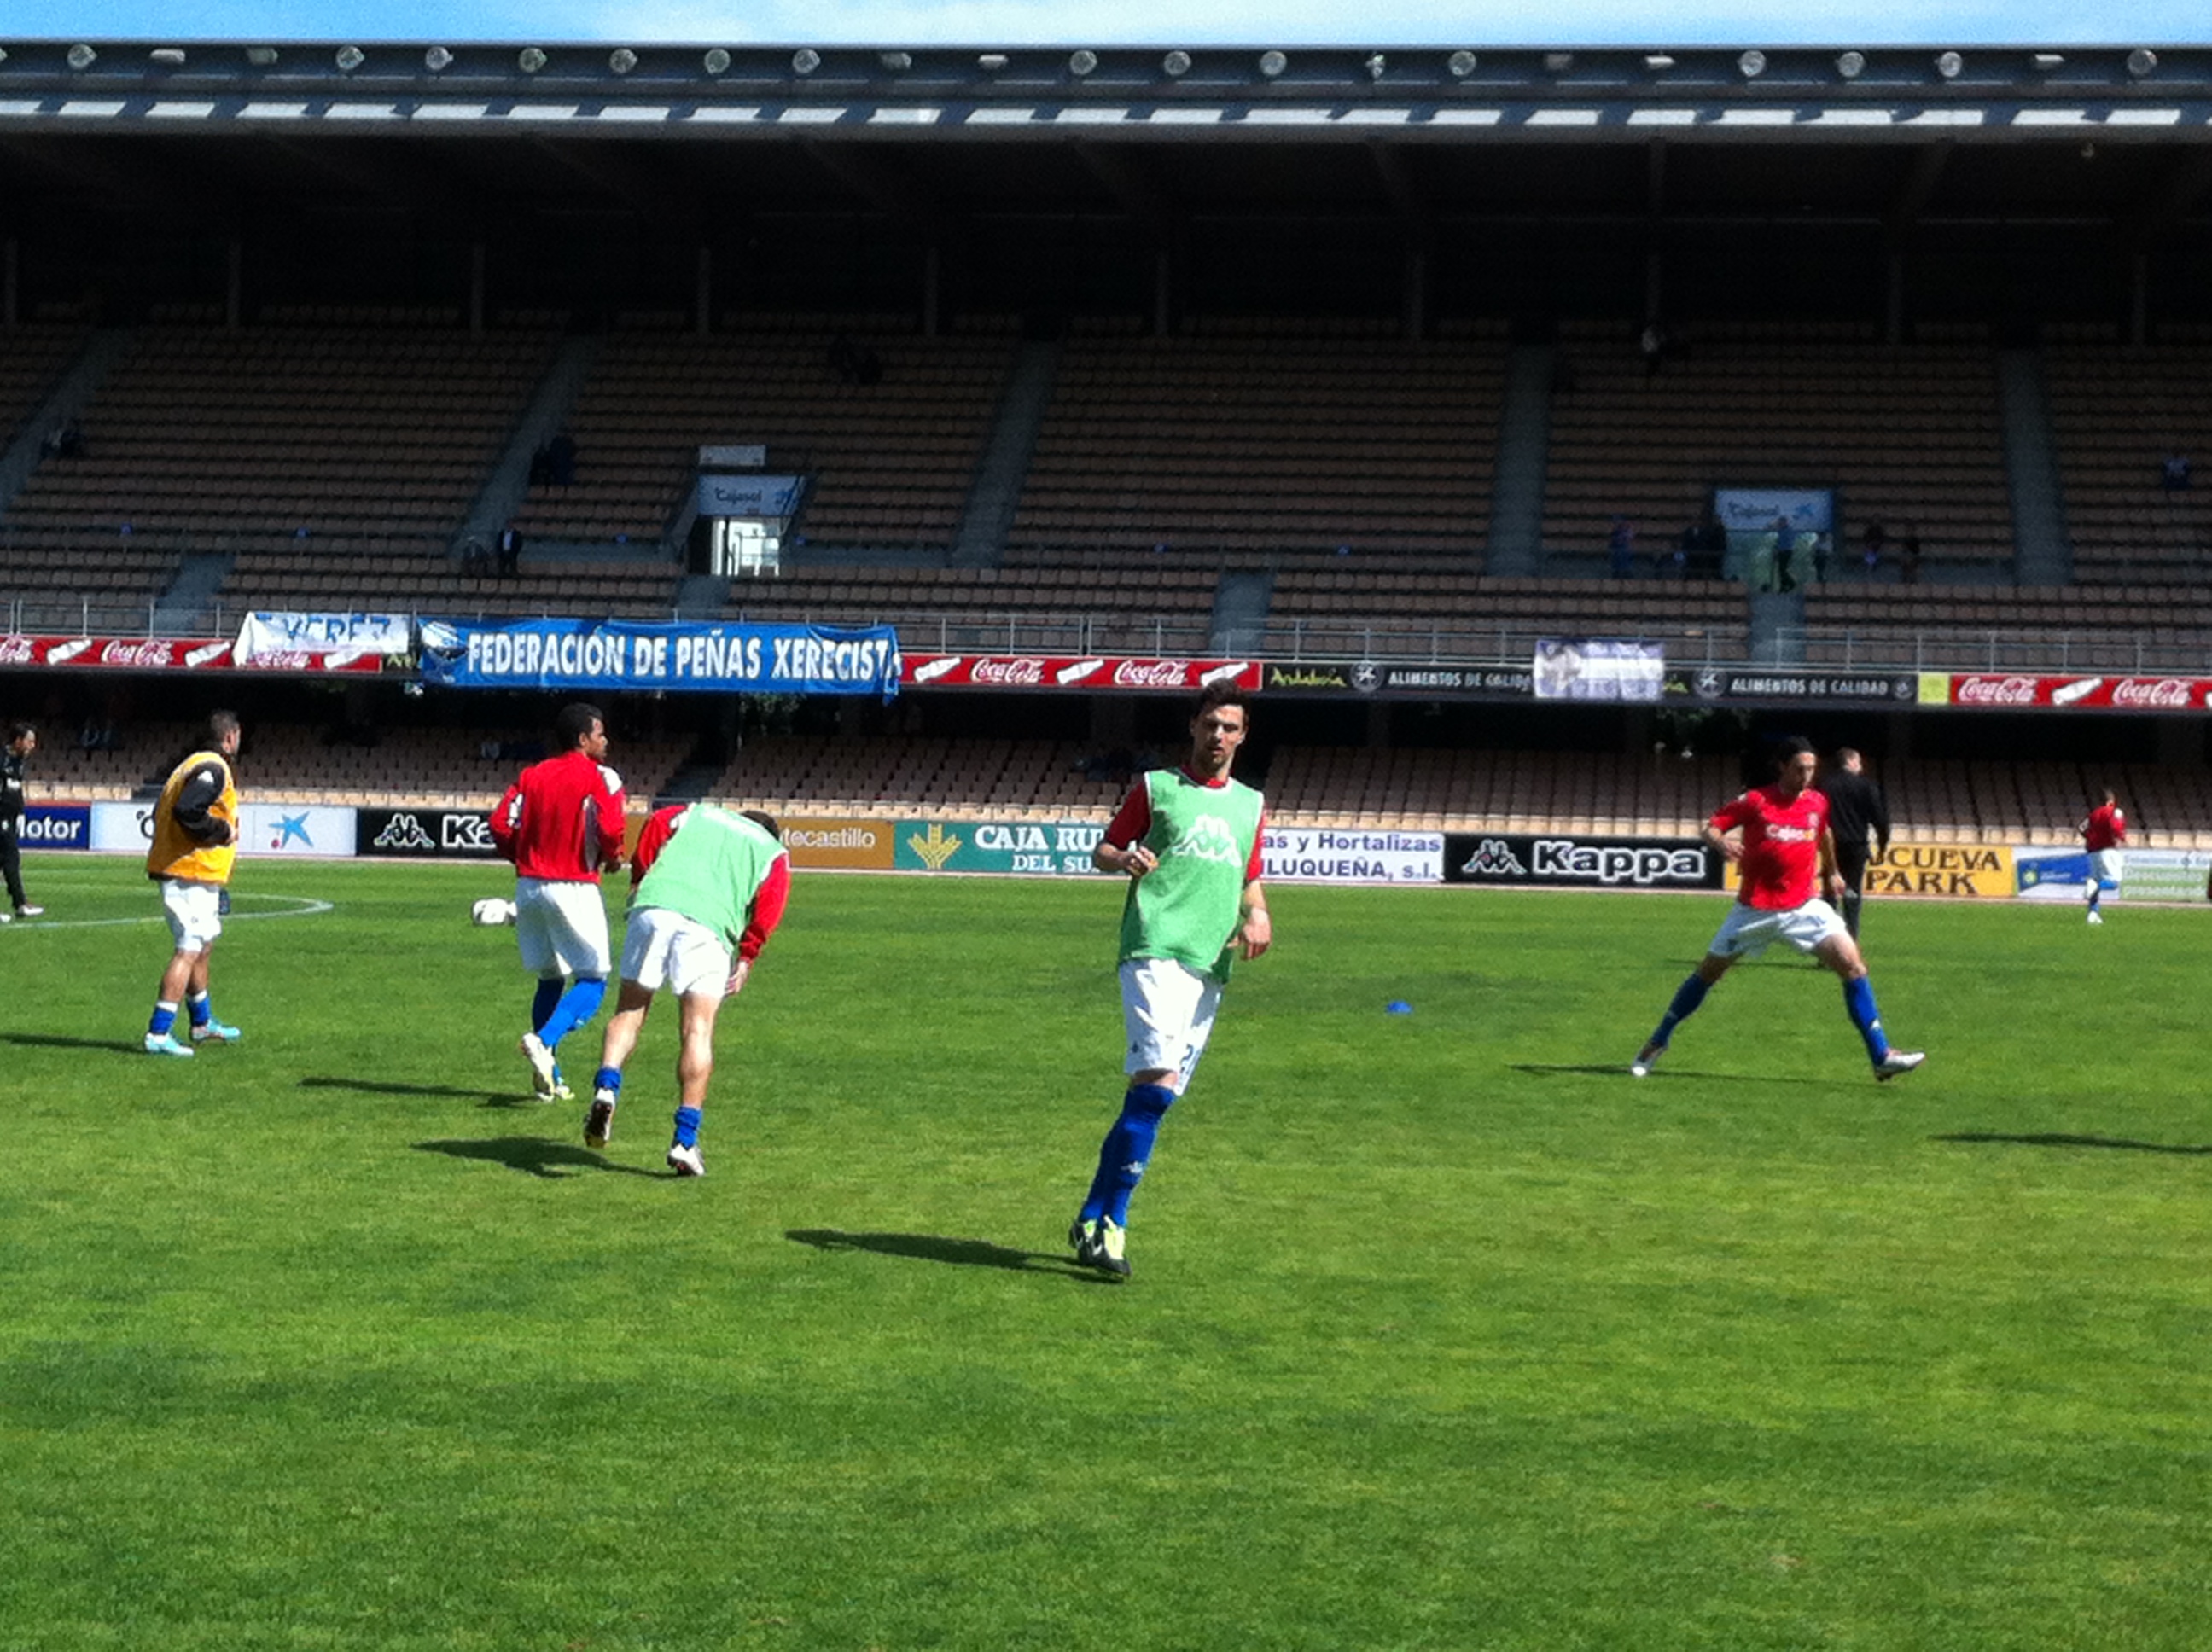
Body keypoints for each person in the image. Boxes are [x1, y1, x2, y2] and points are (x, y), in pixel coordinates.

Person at [1068, 681, 1272, 1280]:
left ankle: (1090, 1215)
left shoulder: (1250, 804)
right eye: (1210, 724)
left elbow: (1248, 875)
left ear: (1243, 736)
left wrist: (1259, 913)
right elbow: (1104, 850)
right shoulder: (1157, 788)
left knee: (1153, 1099)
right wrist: (1125, 858)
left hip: (1211, 961)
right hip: (1154, 947)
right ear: (1194, 727)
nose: (1218, 736)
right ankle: (1113, 1224)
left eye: (1229, 727)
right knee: (1156, 1087)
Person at [1632, 736, 1924, 1083]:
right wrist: (1721, 843)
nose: (1807, 775)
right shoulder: (1756, 801)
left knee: (1854, 967)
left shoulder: (1817, 802)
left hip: (1804, 906)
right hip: (1755, 910)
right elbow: (1710, 827)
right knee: (1708, 974)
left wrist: (1832, 872)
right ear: (1782, 767)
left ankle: (1881, 1055)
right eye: (1800, 768)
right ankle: (1657, 1042)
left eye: (1812, 769)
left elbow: (1823, 834)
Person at [586, 804, 791, 1177]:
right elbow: (770, 906)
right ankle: (684, 1141)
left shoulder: (697, 812)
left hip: (655, 905)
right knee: (697, 1030)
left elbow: (657, 823)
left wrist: (640, 877)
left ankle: (607, 1085)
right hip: (708, 926)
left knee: (630, 1010)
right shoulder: (772, 851)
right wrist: (748, 955)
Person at [488, 702, 626, 1101]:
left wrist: (522, 857)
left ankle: (551, 1078)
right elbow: (611, 827)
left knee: (550, 977)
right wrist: (613, 856)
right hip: (574, 885)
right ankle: (544, 1041)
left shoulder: (531, 775)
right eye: (599, 734)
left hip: (529, 887)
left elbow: (500, 824)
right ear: (583, 739)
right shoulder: (601, 776)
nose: (605, 741)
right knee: (594, 979)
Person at [142, 711, 245, 1056]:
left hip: (197, 873)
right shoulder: (212, 768)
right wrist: (221, 831)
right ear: (230, 736)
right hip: (188, 874)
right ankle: (158, 1032)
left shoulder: (191, 764)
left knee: (203, 945)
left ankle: (202, 1022)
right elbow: (188, 810)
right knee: (188, 949)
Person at [1816, 746, 1891, 939]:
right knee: (1853, 892)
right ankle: (1850, 939)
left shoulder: (1824, 784)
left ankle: (1827, 939)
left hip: (1830, 845)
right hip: (1856, 846)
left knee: (1829, 891)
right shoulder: (1867, 786)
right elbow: (1880, 820)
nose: (1861, 766)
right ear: (1850, 761)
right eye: (1858, 762)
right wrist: (1882, 846)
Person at [1, 722, 46, 921]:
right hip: (1, 816)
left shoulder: (19, 760)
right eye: (29, 741)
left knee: (6, 858)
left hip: (10, 816)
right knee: (11, 856)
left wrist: (18, 810)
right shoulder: (2, 758)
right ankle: (20, 904)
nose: (32, 746)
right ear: (18, 740)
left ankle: (20, 903)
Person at [2079, 788, 2127, 924]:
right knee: (2114, 882)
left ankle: (2093, 913)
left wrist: (2090, 837)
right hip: (2108, 850)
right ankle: (2095, 887)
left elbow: (2082, 828)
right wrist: (2120, 837)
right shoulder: (2114, 812)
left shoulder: (2093, 814)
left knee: (2095, 879)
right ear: (2111, 801)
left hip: (2093, 851)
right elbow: (2116, 827)